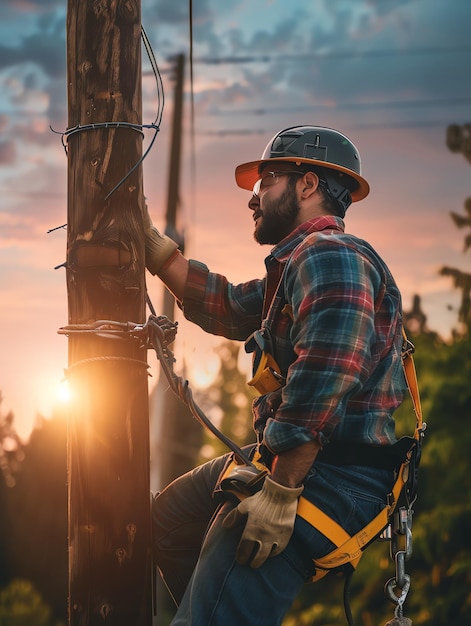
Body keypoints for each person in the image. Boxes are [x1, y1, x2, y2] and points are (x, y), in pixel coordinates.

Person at [145, 125, 408, 626]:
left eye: (266, 180)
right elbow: (225, 305)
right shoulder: (296, 268)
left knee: (218, 591)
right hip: (297, 460)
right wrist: (157, 251)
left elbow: (327, 370)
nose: (253, 197)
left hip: (327, 476)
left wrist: (281, 493)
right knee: (169, 523)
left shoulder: (330, 255)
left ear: (306, 185)